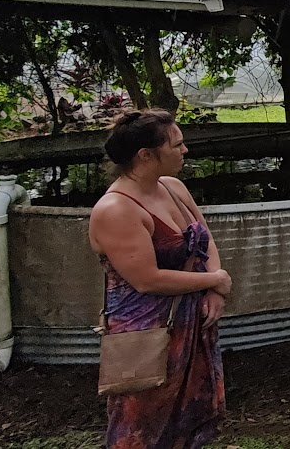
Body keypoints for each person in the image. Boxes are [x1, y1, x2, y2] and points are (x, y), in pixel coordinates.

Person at [88, 110, 230, 449]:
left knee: (191, 411)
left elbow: (205, 240)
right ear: (146, 156)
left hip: (191, 320)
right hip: (147, 333)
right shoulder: (116, 210)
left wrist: (215, 290)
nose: (185, 151)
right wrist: (215, 280)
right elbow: (147, 280)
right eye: (177, 145)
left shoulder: (173, 188)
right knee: (143, 421)